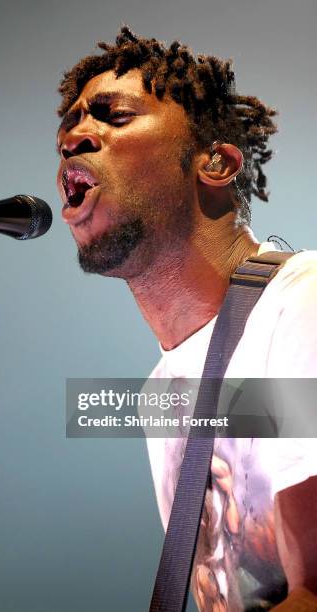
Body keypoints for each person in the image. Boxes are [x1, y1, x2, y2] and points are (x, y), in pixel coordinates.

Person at [55, 27, 317, 611]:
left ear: (216, 163)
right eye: (68, 126)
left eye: (112, 116)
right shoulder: (161, 394)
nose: (73, 136)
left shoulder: (301, 304)